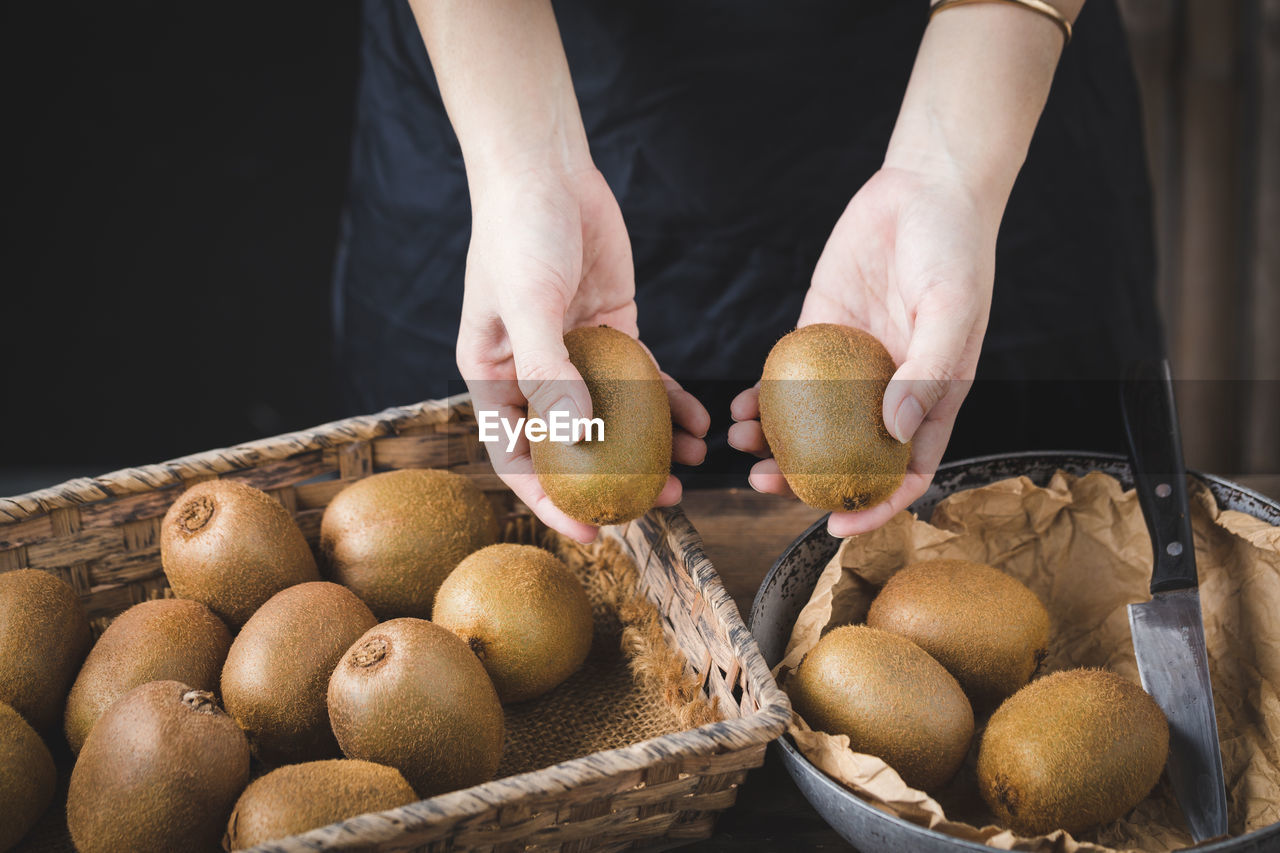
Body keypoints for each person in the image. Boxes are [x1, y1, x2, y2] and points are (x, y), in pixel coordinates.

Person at [332, 0, 1163, 543]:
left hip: (982, 83)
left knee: (1025, 545)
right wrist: (522, 163)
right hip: (505, 85)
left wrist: (951, 169)